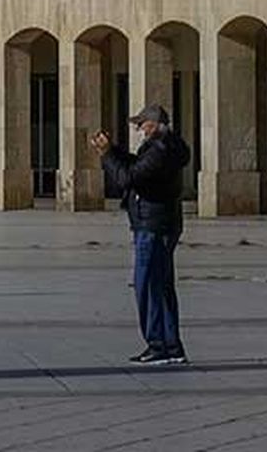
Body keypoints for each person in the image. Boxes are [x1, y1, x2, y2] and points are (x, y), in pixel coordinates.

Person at [91, 104, 192, 366]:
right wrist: (113, 151)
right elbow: (137, 166)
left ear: (154, 124)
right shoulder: (164, 148)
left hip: (153, 225)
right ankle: (172, 346)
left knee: (146, 285)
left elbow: (128, 178)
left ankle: (158, 345)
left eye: (142, 124)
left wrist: (106, 156)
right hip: (161, 223)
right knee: (162, 285)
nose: (138, 128)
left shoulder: (159, 150)